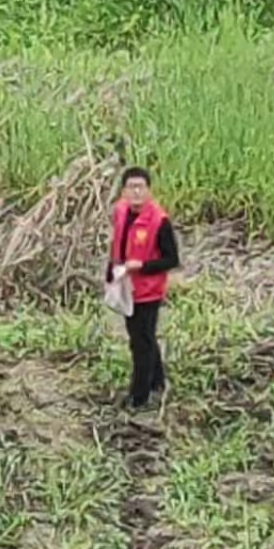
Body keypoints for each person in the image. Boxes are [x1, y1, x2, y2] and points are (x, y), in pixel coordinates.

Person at [107, 167, 181, 411]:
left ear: (149, 190)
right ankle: (157, 381)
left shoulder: (159, 221)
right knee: (143, 336)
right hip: (127, 286)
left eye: (141, 187)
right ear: (123, 191)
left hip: (149, 290)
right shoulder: (121, 211)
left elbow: (171, 260)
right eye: (131, 187)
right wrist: (111, 272)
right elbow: (117, 244)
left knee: (141, 343)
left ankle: (139, 397)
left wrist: (143, 266)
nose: (136, 192)